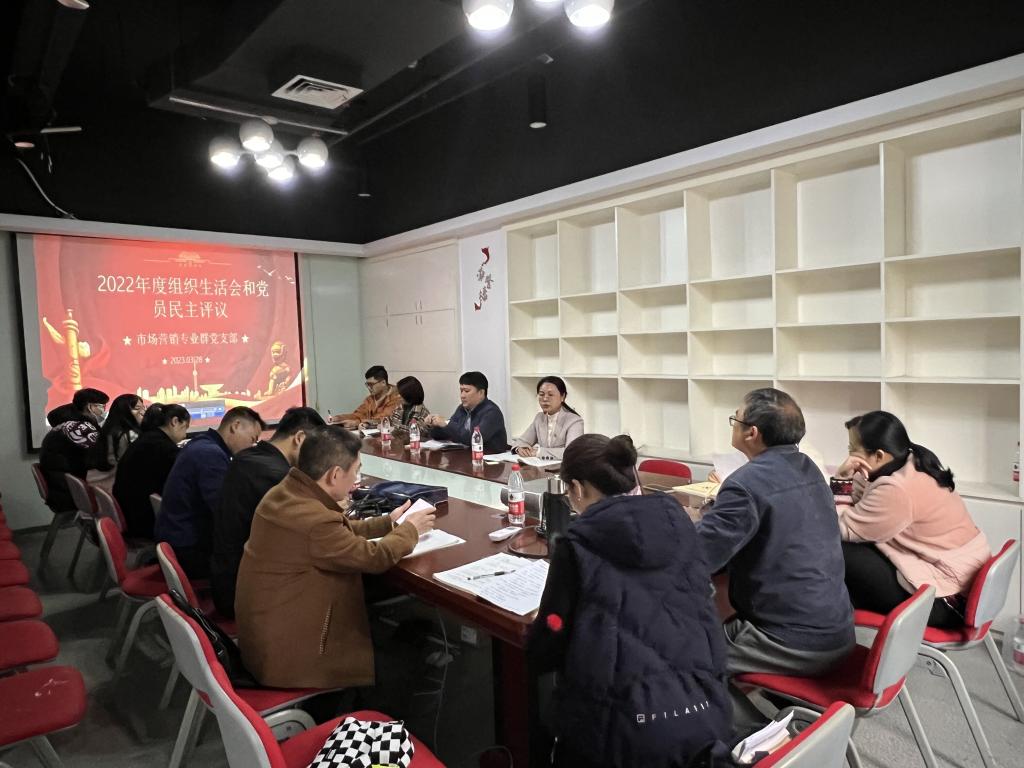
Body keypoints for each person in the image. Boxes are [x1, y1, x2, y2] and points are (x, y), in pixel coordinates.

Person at [527, 433, 731, 767]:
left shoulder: (577, 544)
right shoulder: (680, 523)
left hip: (619, 734)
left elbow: (548, 644)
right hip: (708, 715)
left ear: (576, 488)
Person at [235, 425, 436, 689]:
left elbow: (337, 533)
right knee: (408, 662)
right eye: (356, 470)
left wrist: (388, 523)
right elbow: (374, 557)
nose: (356, 479)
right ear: (335, 475)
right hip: (294, 657)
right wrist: (410, 530)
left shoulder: (284, 493)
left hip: (266, 639)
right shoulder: (316, 521)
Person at [696, 388, 854, 679]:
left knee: (680, 658)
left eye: (735, 418)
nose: (733, 424)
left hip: (789, 640)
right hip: (836, 626)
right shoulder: (808, 468)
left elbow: (700, 556)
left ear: (751, 433)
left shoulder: (745, 483)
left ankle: (738, 714)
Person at [836, 411, 990, 628]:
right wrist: (857, 476)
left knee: (833, 548)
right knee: (845, 562)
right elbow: (865, 501)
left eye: (853, 449)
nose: (850, 457)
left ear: (879, 455)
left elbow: (839, 528)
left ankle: (824, 625)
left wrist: (841, 482)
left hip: (945, 602)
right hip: (958, 582)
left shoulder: (896, 489)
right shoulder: (911, 462)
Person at [210, 406, 326, 618]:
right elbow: (314, 535)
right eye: (316, 449)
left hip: (227, 577)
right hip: (249, 596)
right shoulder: (277, 476)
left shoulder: (247, 458)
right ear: (300, 438)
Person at [155, 406, 265, 578]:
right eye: (252, 439)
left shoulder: (202, 444)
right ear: (236, 426)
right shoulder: (210, 454)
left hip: (177, 538)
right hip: (188, 549)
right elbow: (224, 511)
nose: (251, 447)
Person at [113, 403, 191, 540]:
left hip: (130, 513)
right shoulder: (165, 449)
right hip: (145, 521)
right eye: (185, 427)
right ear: (175, 421)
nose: (185, 435)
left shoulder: (145, 440)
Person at [39, 387, 109, 513]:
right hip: (68, 492)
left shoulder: (66, 425)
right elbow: (101, 457)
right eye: (102, 406)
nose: (104, 410)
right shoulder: (79, 428)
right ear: (90, 407)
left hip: (61, 486)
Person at [423, 371, 508, 453]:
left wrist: (446, 423)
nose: (462, 396)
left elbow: (473, 439)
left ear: (481, 393)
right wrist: (433, 425)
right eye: (461, 391)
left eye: (467, 391)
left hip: (489, 458)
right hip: (465, 456)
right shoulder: (462, 409)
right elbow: (448, 433)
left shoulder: (492, 412)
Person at [510, 376, 584, 460]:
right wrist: (520, 448)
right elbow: (521, 441)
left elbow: (572, 452)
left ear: (562, 397)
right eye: (541, 394)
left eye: (550, 395)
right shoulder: (539, 418)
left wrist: (538, 452)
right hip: (541, 466)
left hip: (564, 467)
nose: (545, 399)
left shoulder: (575, 421)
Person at [87, 394, 146, 492]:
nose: (143, 412)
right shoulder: (130, 435)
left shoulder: (108, 429)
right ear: (124, 412)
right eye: (137, 408)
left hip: (97, 483)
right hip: (113, 486)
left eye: (144, 408)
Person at [331, 365, 402, 429]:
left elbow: (382, 419)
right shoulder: (369, 399)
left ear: (383, 382)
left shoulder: (396, 398)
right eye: (367, 384)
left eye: (371, 384)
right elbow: (358, 414)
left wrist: (356, 422)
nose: (368, 388)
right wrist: (338, 418)